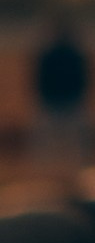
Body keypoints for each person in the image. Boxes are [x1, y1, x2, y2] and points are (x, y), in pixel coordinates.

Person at [30, 18, 89, 173]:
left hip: (56, 102)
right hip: (67, 102)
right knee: (74, 142)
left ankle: (45, 171)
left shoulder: (49, 54)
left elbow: (39, 78)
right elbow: (83, 78)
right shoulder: (75, 55)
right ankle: (76, 172)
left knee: (48, 143)